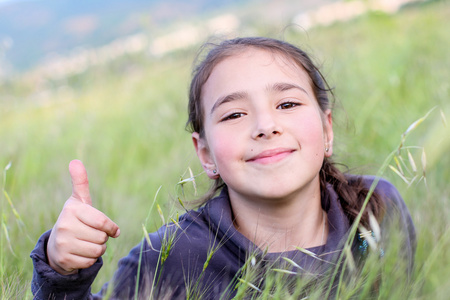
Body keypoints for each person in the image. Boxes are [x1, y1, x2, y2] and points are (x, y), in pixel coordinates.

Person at [31, 37, 416, 299]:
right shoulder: (171, 257)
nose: (266, 125)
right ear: (206, 154)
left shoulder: (376, 209)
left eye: (287, 105)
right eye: (234, 113)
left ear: (326, 128)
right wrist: (62, 272)